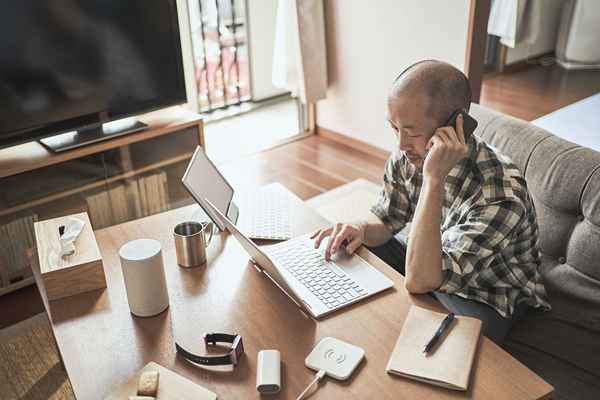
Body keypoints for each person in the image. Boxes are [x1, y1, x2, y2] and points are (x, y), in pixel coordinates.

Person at [311, 60, 550, 344]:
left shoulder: (501, 195)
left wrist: (434, 178)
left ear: (455, 127)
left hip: (486, 295)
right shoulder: (408, 153)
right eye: (394, 128)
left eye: (412, 133)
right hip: (433, 263)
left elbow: (420, 280)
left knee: (422, 338)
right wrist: (361, 227)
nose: (400, 145)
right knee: (354, 252)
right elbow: (388, 219)